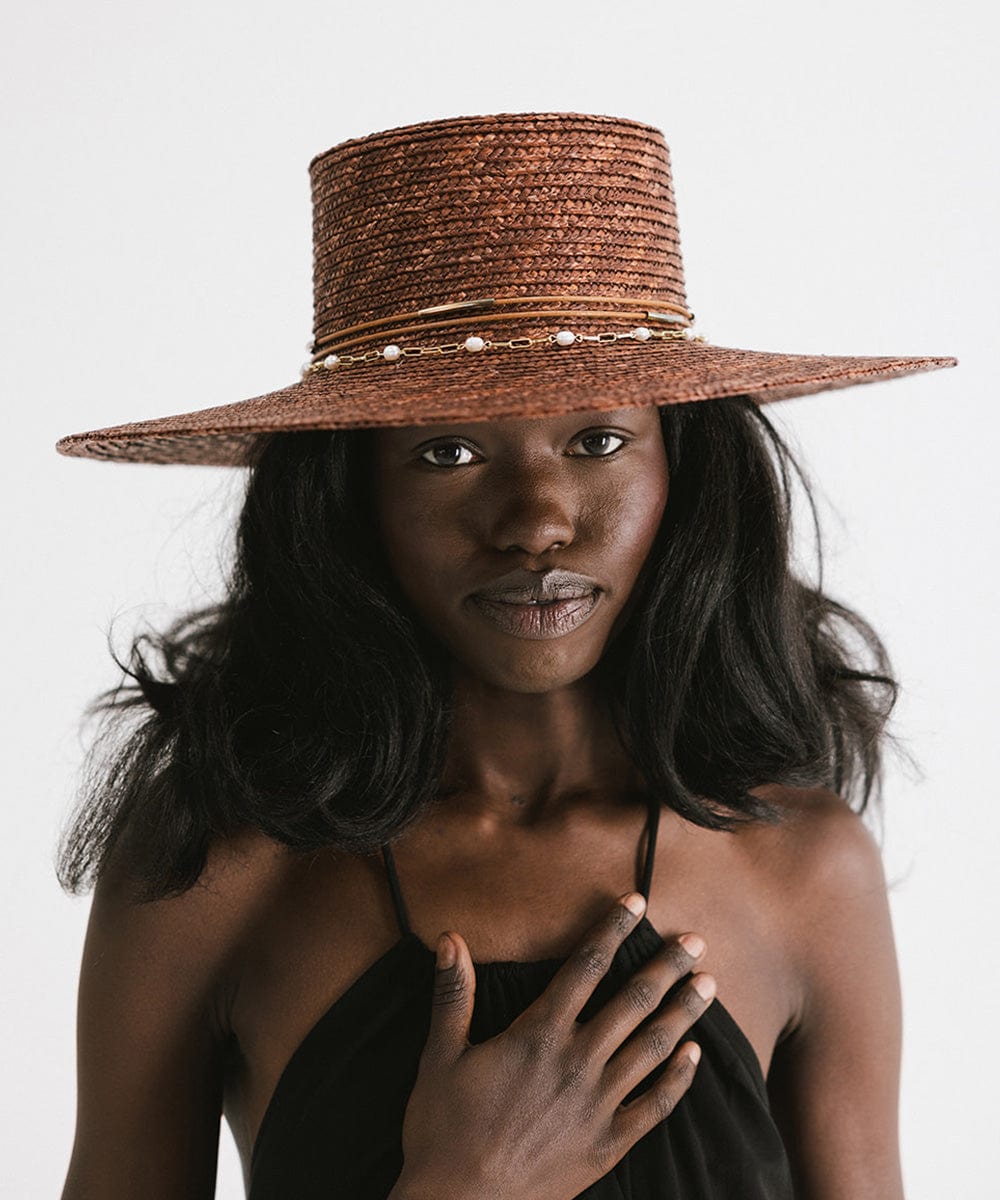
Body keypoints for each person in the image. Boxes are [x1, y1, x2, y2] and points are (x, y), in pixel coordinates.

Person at [54, 112, 957, 1199]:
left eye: (598, 440)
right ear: (352, 496)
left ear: (685, 469)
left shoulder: (802, 868)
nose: (536, 522)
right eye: (447, 451)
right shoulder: (217, 869)